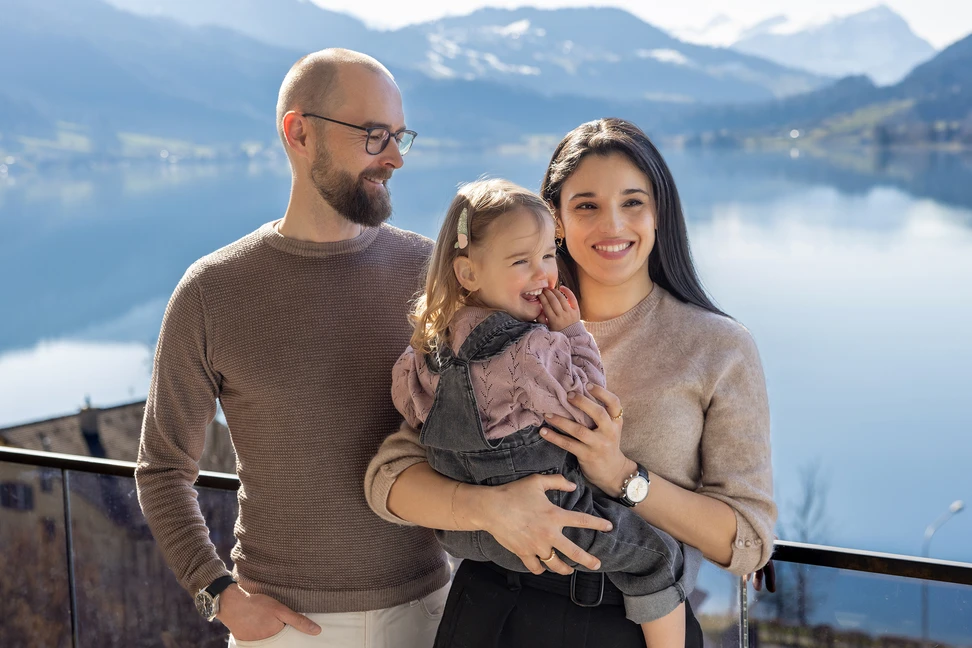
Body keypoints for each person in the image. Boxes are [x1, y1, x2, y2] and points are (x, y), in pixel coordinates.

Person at [365, 118, 776, 648]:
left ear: (660, 213)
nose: (612, 224)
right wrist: (492, 509)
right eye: (586, 205)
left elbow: (746, 543)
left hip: (632, 627)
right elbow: (389, 480)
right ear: (554, 219)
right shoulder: (495, 329)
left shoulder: (718, 347)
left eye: (633, 202)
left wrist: (625, 477)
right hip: (490, 613)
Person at [135, 49, 451, 648]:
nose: (394, 157)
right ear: (299, 132)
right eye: (373, 134)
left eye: (400, 135)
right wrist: (218, 594)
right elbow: (162, 470)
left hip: (430, 614)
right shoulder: (211, 292)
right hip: (285, 631)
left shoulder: (431, 271)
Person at [391, 179, 693, 645]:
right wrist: (573, 334)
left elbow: (410, 408)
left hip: (469, 539)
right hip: (555, 521)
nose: (543, 275)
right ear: (467, 273)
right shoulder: (534, 348)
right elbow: (589, 409)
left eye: (548, 255)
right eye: (521, 262)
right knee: (658, 557)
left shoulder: (424, 351)